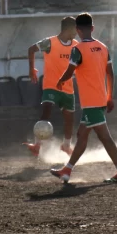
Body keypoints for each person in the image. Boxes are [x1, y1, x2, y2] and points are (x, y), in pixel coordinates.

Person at [50, 13, 117, 184]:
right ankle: (67, 170)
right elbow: (110, 73)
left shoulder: (77, 50)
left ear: (77, 30)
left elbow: (70, 72)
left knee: (105, 137)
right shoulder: (103, 47)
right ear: (92, 28)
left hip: (91, 102)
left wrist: (60, 81)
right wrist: (110, 96)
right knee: (82, 134)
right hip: (99, 99)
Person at [23, 17, 78, 157]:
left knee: (69, 118)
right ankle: (37, 145)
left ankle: (66, 146)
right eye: (75, 29)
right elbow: (31, 49)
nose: (77, 32)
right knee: (46, 111)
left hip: (68, 88)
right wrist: (31, 69)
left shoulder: (76, 46)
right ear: (68, 29)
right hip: (51, 85)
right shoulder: (50, 42)